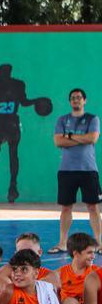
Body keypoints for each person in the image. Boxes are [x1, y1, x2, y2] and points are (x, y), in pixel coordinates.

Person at [0, 64, 51, 203]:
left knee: (13, 152)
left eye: (5, 72)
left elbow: (23, 102)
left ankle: (13, 185)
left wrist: (36, 101)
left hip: (10, 120)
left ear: (8, 73)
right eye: (1, 72)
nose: (3, 74)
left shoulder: (17, 85)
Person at [50, 88, 102, 253]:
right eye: (73, 98)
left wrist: (70, 137)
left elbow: (92, 138)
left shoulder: (92, 119)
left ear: (84, 100)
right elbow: (58, 141)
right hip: (66, 170)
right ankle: (62, 243)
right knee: (66, 208)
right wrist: (81, 139)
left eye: (79, 97)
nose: (76, 100)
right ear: (70, 101)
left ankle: (99, 243)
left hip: (88, 170)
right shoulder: (62, 120)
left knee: (93, 207)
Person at [57, 232, 98, 304]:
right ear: (76, 253)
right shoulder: (59, 274)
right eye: (89, 253)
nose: (93, 256)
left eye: (94, 252)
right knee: (68, 302)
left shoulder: (96, 273)